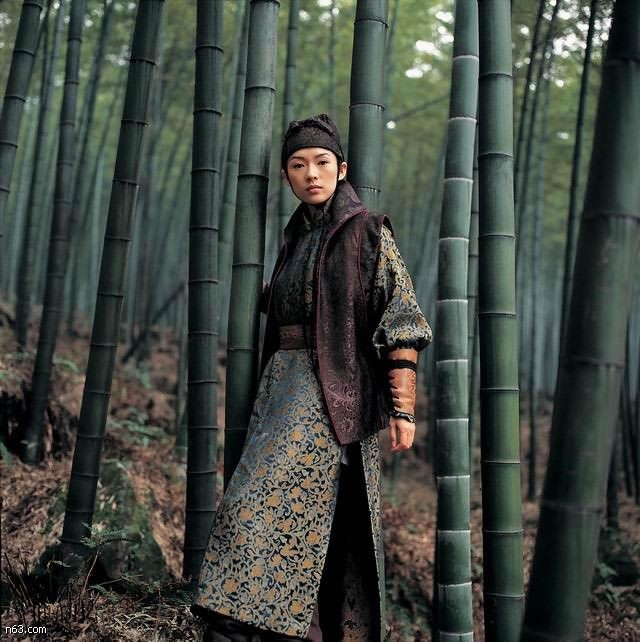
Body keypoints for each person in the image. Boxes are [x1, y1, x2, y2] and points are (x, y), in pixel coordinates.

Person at [193, 114, 432, 641]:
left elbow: (402, 317)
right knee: (304, 519)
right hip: (280, 390)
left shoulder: (368, 231)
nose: (311, 174)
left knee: (256, 507)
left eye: (322, 163)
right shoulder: (294, 238)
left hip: (330, 394)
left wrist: (403, 407)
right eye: (298, 166)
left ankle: (248, 623)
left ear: (342, 169)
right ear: (286, 176)